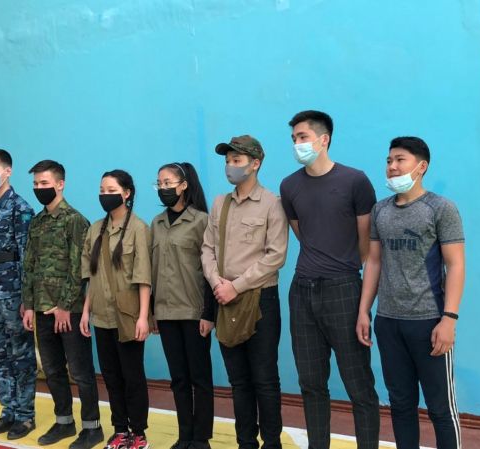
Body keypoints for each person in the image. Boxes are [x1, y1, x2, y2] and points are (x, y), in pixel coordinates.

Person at [279, 110, 380, 449]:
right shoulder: (289, 186)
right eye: (294, 138)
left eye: (303, 137)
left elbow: (366, 243)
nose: (297, 143)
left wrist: (342, 268)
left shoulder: (355, 181)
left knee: (359, 384)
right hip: (302, 291)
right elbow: (303, 234)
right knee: (311, 383)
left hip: (343, 290)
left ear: (324, 140)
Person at [356, 137, 465, 449]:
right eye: (389, 160)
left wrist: (449, 319)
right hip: (389, 322)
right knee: (401, 404)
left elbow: (456, 265)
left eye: (400, 160)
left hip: (429, 321)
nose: (392, 167)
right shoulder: (380, 210)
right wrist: (364, 310)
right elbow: (374, 261)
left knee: (440, 408)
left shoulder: (441, 208)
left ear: (421, 167)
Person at [202, 136, 288, 449]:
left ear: (255, 164)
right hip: (224, 298)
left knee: (264, 379)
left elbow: (276, 255)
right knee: (238, 381)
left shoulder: (272, 203)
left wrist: (236, 286)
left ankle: (272, 443)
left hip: (260, 299)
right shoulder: (219, 204)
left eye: (237, 160)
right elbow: (207, 249)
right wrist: (217, 283)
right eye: (228, 161)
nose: (230, 166)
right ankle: (245, 443)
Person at [22, 160, 104, 449]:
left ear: (60, 184)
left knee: (80, 372)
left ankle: (92, 428)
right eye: (35, 184)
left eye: (44, 183)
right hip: (42, 309)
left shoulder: (74, 220)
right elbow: (29, 265)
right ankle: (64, 422)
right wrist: (28, 304)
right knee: (53, 370)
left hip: (69, 311)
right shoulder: (37, 222)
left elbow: (80, 268)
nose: (39, 188)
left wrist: (65, 306)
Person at [80, 169, 152, 449]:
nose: (105, 195)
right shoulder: (95, 229)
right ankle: (120, 429)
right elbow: (91, 276)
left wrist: (143, 317)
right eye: (102, 190)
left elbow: (144, 277)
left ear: (127, 193)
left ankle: (139, 432)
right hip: (101, 316)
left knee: (132, 376)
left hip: (128, 316)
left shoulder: (138, 228)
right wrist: (86, 312)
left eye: (111, 190)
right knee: (110, 376)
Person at [150, 162, 215, 449]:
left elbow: (211, 269)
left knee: (199, 378)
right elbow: (151, 270)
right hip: (166, 313)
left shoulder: (201, 221)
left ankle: (201, 438)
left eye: (168, 183)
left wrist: (209, 313)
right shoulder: (156, 224)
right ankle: (185, 435)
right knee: (178, 378)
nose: (163, 188)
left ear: (184, 185)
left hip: (193, 312)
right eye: (159, 183)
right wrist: (152, 311)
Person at [0, 149, 37, 440]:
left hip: (13, 294)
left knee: (21, 355)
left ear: (7, 171)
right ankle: (8, 411)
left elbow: (27, 256)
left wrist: (27, 299)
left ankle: (25, 416)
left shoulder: (20, 208)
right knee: (0, 356)